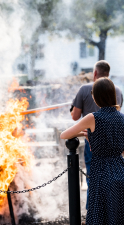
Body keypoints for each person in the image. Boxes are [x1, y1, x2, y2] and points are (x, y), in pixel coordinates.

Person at [61, 77, 124, 225]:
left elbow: (64, 135)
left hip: (101, 174)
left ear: (96, 97)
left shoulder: (93, 118)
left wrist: (84, 134)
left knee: (99, 217)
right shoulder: (122, 118)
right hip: (120, 171)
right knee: (117, 217)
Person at [70, 60, 123, 210]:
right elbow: (116, 118)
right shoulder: (117, 90)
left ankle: (94, 209)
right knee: (114, 182)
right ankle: (112, 212)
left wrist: (82, 132)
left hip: (94, 142)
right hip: (115, 144)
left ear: (94, 73)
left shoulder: (85, 89)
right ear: (108, 74)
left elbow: (75, 116)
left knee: (93, 179)